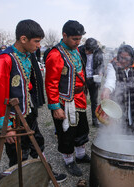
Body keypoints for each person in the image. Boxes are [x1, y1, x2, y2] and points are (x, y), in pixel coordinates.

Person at [0, 19, 66, 183]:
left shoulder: (25, 56)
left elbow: (25, 82)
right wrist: (6, 127)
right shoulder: (5, 60)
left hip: (27, 113)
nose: (39, 46)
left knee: (37, 142)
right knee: (18, 154)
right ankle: (20, 181)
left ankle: (43, 171)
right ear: (23, 39)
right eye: (36, 42)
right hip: (13, 119)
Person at [45, 20, 90, 177]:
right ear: (64, 35)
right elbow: (50, 83)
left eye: (79, 39)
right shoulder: (55, 55)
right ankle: (69, 161)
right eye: (74, 39)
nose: (78, 43)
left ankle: (80, 155)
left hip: (79, 98)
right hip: (65, 101)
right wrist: (55, 107)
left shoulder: (75, 50)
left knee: (82, 128)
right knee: (67, 132)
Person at [101, 45, 134, 134]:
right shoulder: (112, 65)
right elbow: (110, 80)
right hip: (118, 103)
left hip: (133, 103)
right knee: (118, 129)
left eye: (126, 58)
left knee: (133, 127)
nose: (122, 61)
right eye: (121, 57)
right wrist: (107, 90)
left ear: (132, 58)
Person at [79, 38, 104, 127]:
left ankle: (95, 121)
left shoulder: (98, 52)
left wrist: (101, 72)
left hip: (94, 79)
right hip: (83, 79)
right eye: (86, 49)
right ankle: (81, 122)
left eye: (89, 50)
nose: (86, 51)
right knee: (81, 101)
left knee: (94, 101)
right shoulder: (79, 50)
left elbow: (102, 64)